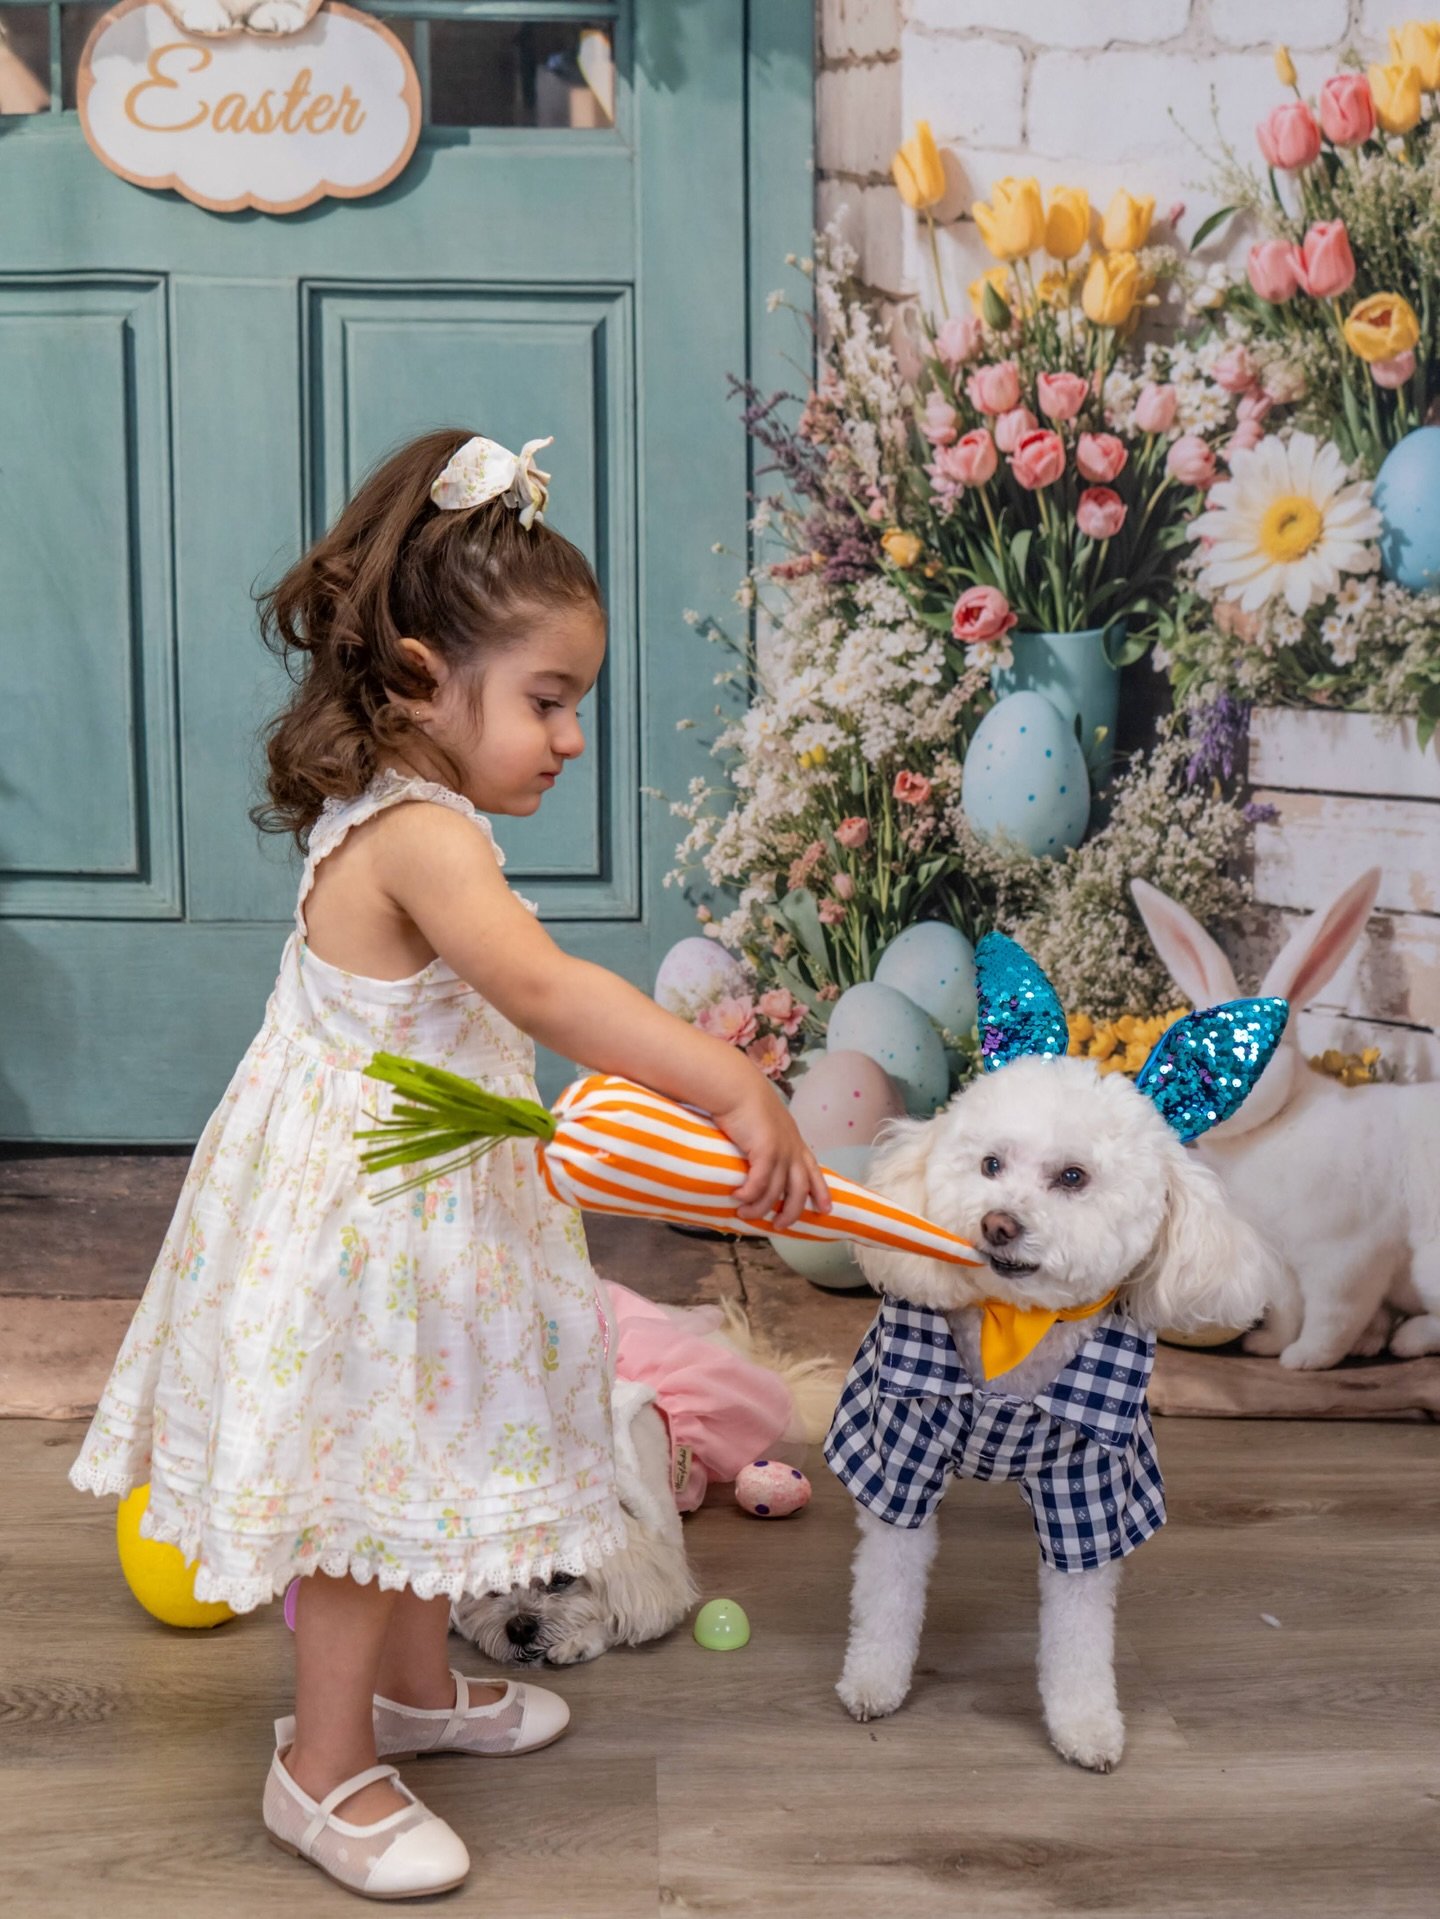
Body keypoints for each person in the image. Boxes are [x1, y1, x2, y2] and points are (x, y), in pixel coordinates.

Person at [70, 427, 830, 1900]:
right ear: (423, 674)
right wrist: (724, 1075)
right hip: (367, 1220)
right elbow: (545, 992)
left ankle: (413, 1696)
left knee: (414, 1458)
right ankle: (324, 1764)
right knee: (365, 1490)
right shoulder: (423, 837)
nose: (570, 736)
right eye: (549, 700)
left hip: (400, 1197)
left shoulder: (412, 810)